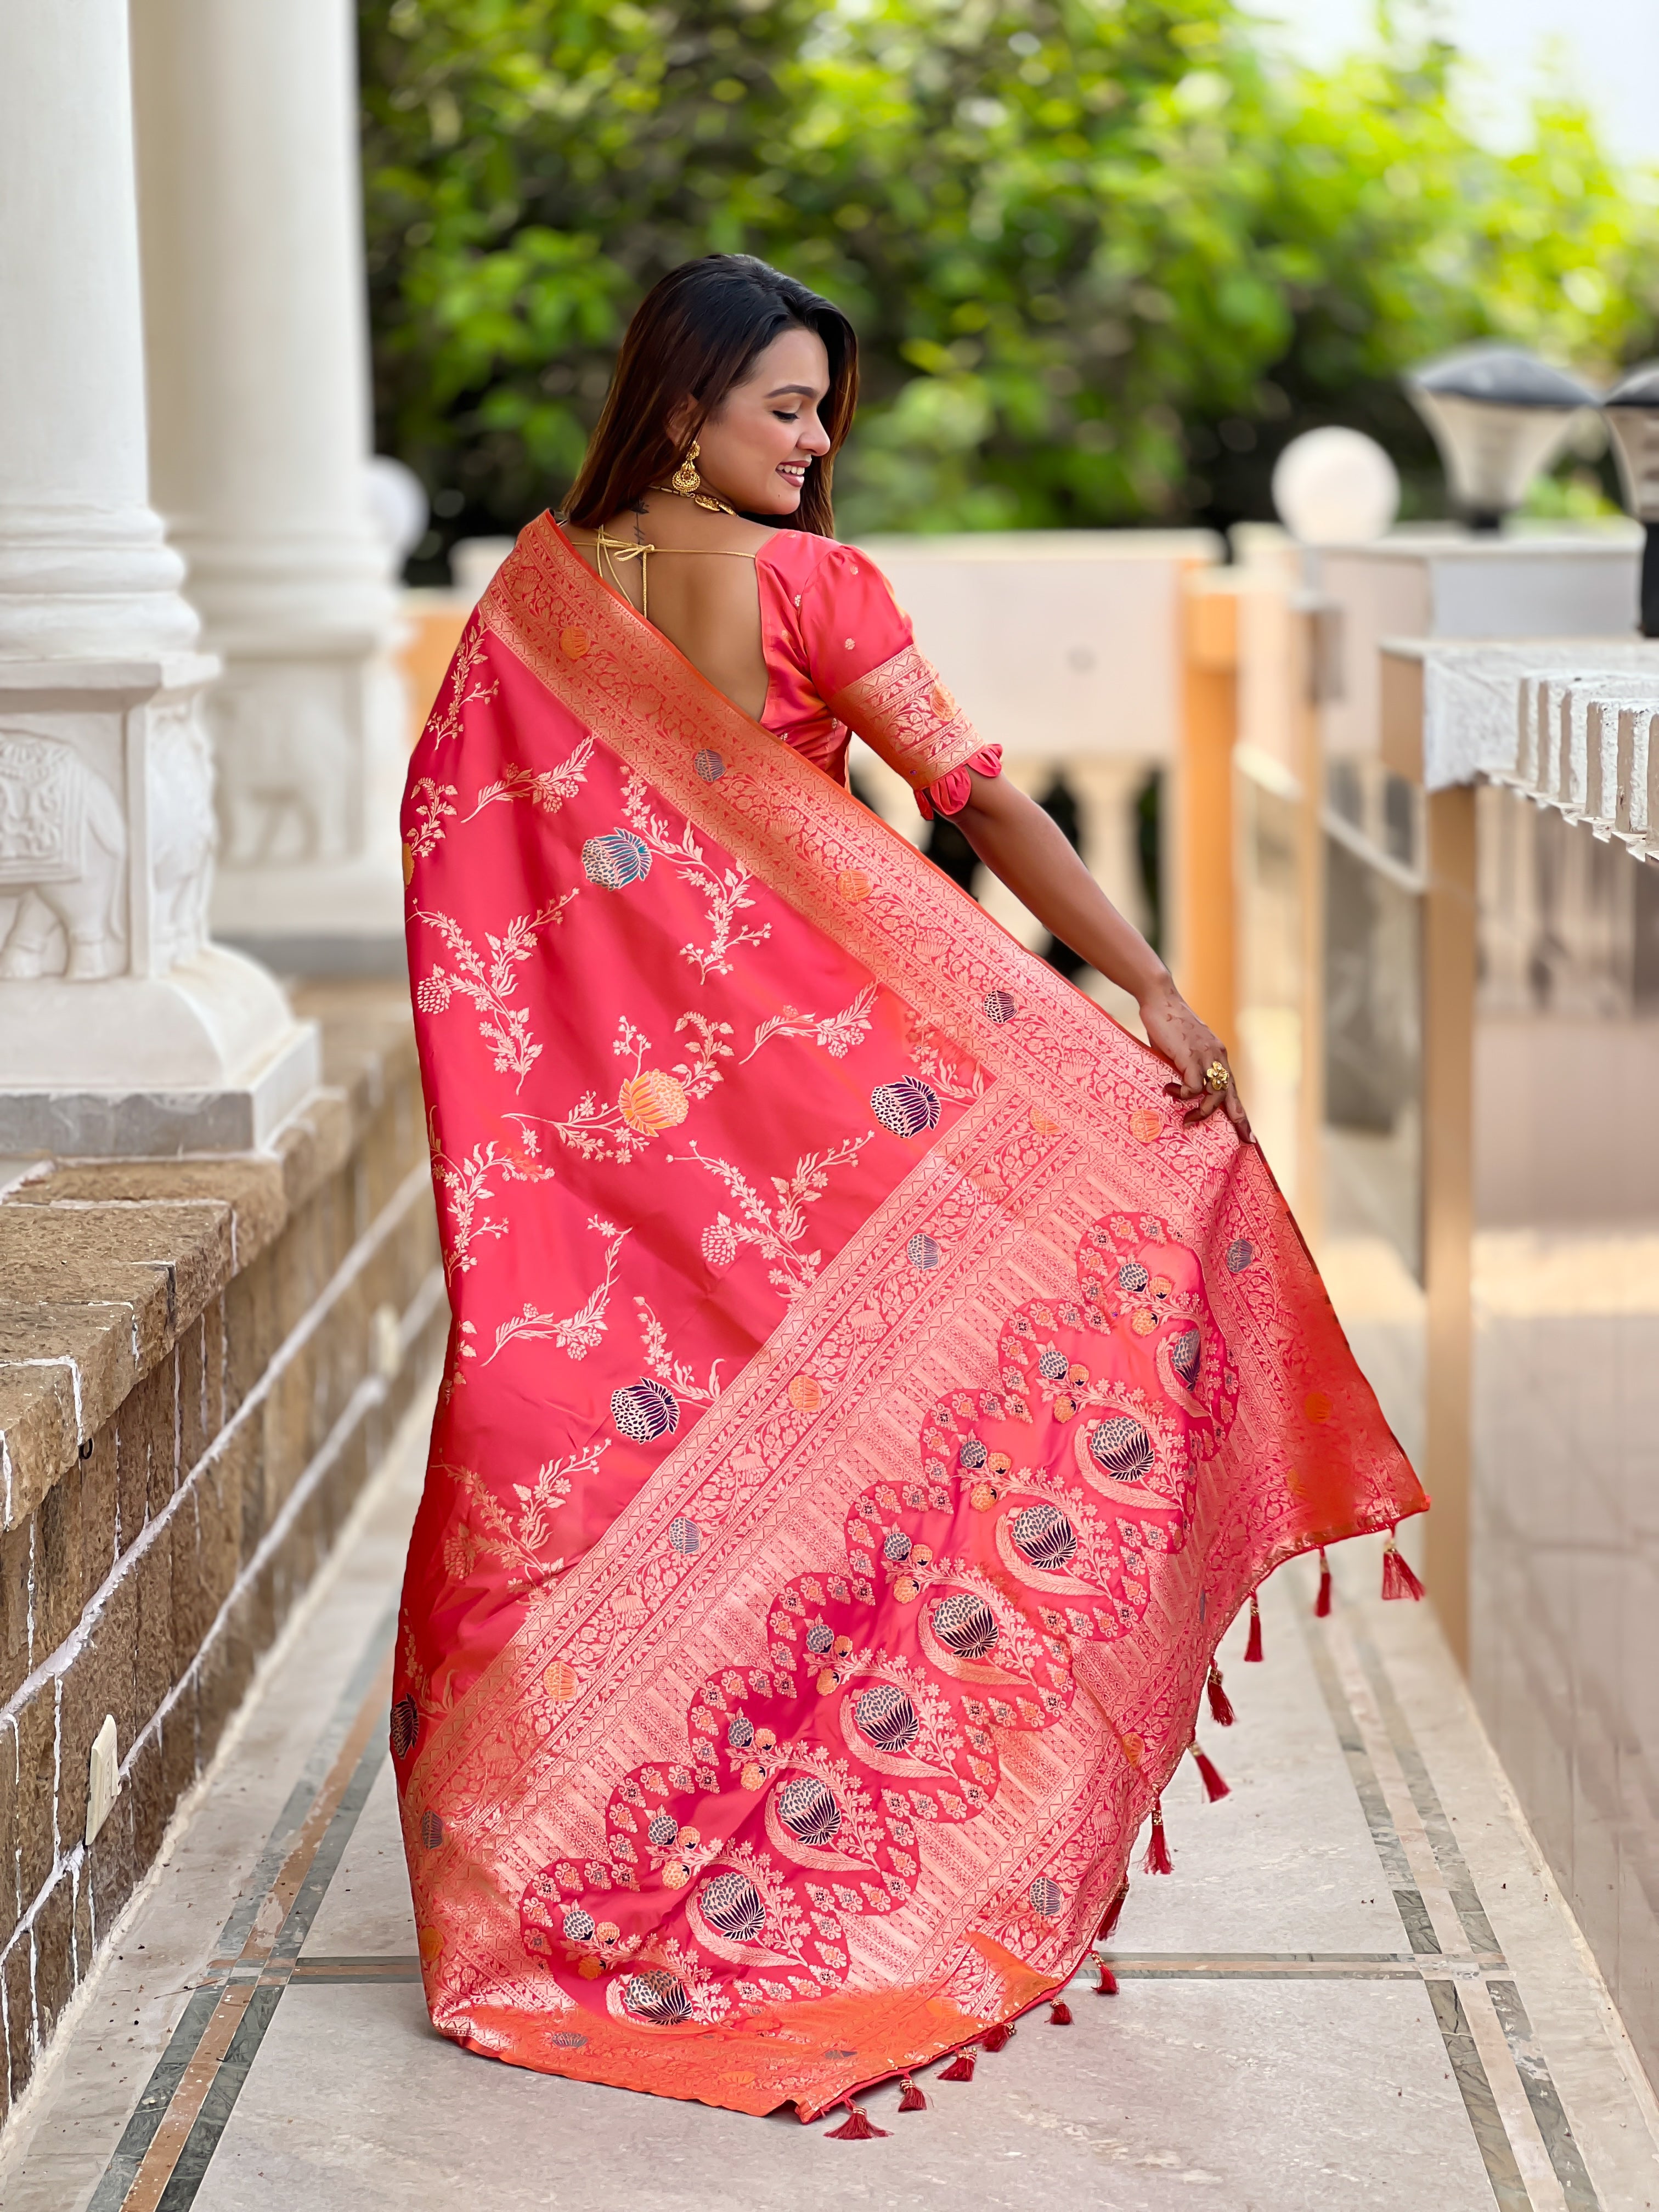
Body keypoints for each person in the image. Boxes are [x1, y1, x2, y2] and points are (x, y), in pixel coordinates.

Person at [394, 254, 1424, 2128]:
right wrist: (1153, 986)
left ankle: (559, 1884)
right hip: (841, 1115)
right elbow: (982, 802)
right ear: (685, 407)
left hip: (633, 1148)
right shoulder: (805, 587)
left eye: (824, 409)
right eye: (785, 405)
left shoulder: (532, 606)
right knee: (888, 1439)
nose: (816, 439)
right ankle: (790, 1857)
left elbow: (461, 856)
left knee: (610, 1453)